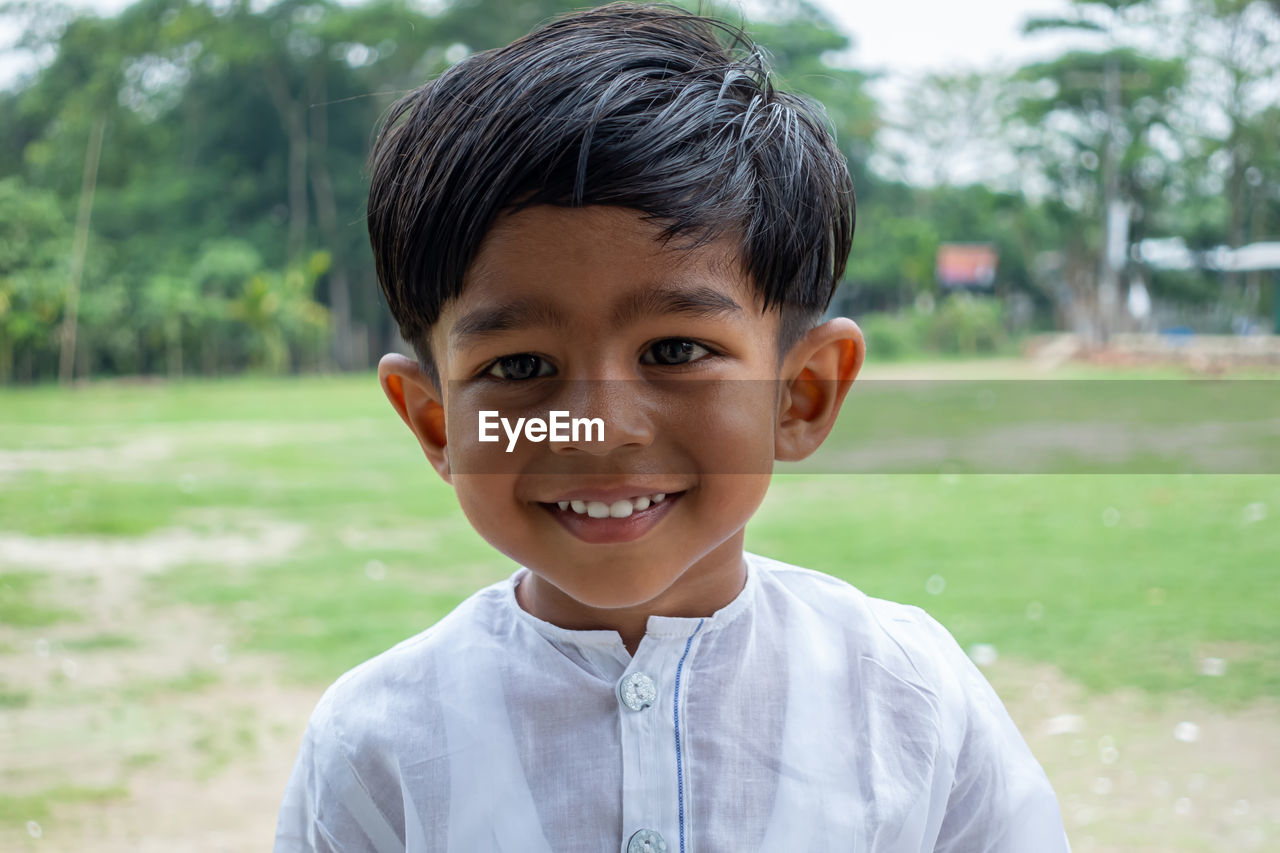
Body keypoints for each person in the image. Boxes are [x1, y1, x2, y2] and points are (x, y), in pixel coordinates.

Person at [273, 3, 1070, 851]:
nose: (600, 427)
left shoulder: (910, 698)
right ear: (437, 425)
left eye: (677, 349)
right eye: (517, 367)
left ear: (800, 394)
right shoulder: (379, 743)